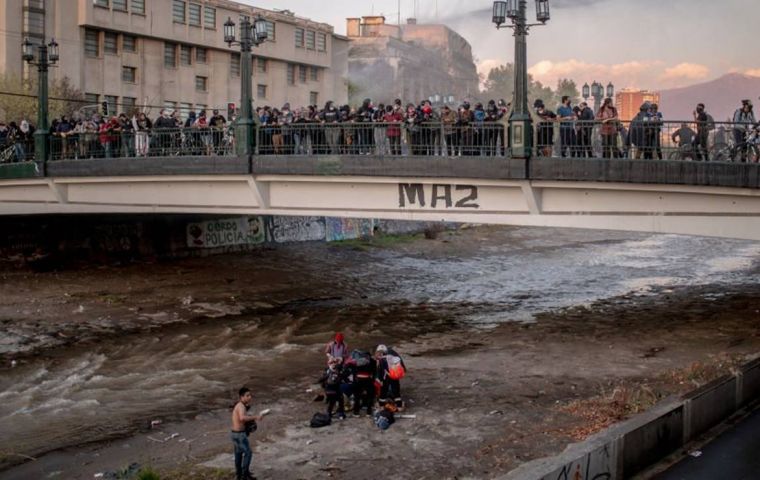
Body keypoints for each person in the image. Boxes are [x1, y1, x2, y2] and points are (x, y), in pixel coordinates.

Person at [231, 387, 263, 480]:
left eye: (250, 395)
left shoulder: (239, 405)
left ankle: (239, 474)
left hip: (234, 433)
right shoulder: (241, 406)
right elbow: (242, 418)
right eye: (247, 395)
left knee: (238, 454)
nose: (250, 397)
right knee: (248, 453)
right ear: (242, 397)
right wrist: (255, 417)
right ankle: (245, 476)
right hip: (239, 434)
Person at [375, 344, 406, 409]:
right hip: (394, 376)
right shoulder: (393, 356)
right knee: (396, 391)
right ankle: (399, 406)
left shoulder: (382, 359)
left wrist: (380, 379)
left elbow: (380, 370)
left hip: (386, 377)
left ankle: (381, 406)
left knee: (383, 392)